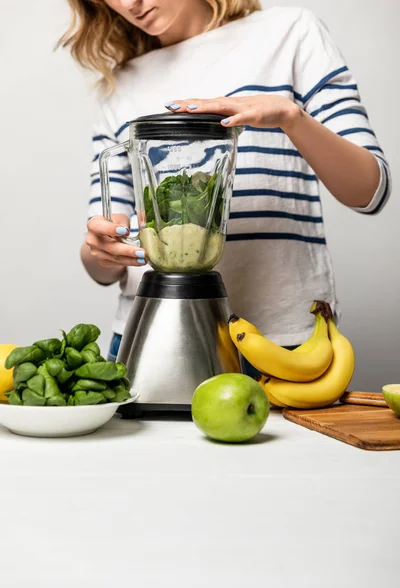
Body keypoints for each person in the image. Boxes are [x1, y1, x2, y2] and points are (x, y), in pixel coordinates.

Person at [60, 0, 391, 365]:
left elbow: (369, 191)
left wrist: (290, 118)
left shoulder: (289, 32)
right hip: (146, 337)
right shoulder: (120, 82)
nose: (130, 3)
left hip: (279, 342)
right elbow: (103, 255)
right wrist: (103, 248)